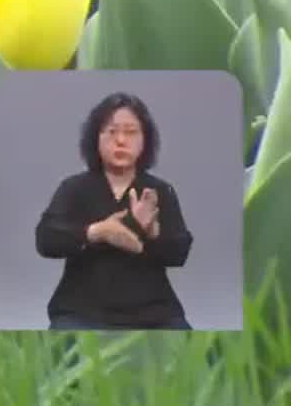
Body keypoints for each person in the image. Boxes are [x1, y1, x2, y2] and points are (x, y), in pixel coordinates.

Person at [34, 92, 193, 330]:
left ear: (145, 141)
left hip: (154, 311)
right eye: (111, 131)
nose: (120, 140)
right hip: (81, 310)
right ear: (95, 139)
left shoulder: (159, 190)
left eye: (130, 132)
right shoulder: (74, 187)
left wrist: (151, 233)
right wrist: (96, 232)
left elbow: (179, 253)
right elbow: (46, 240)